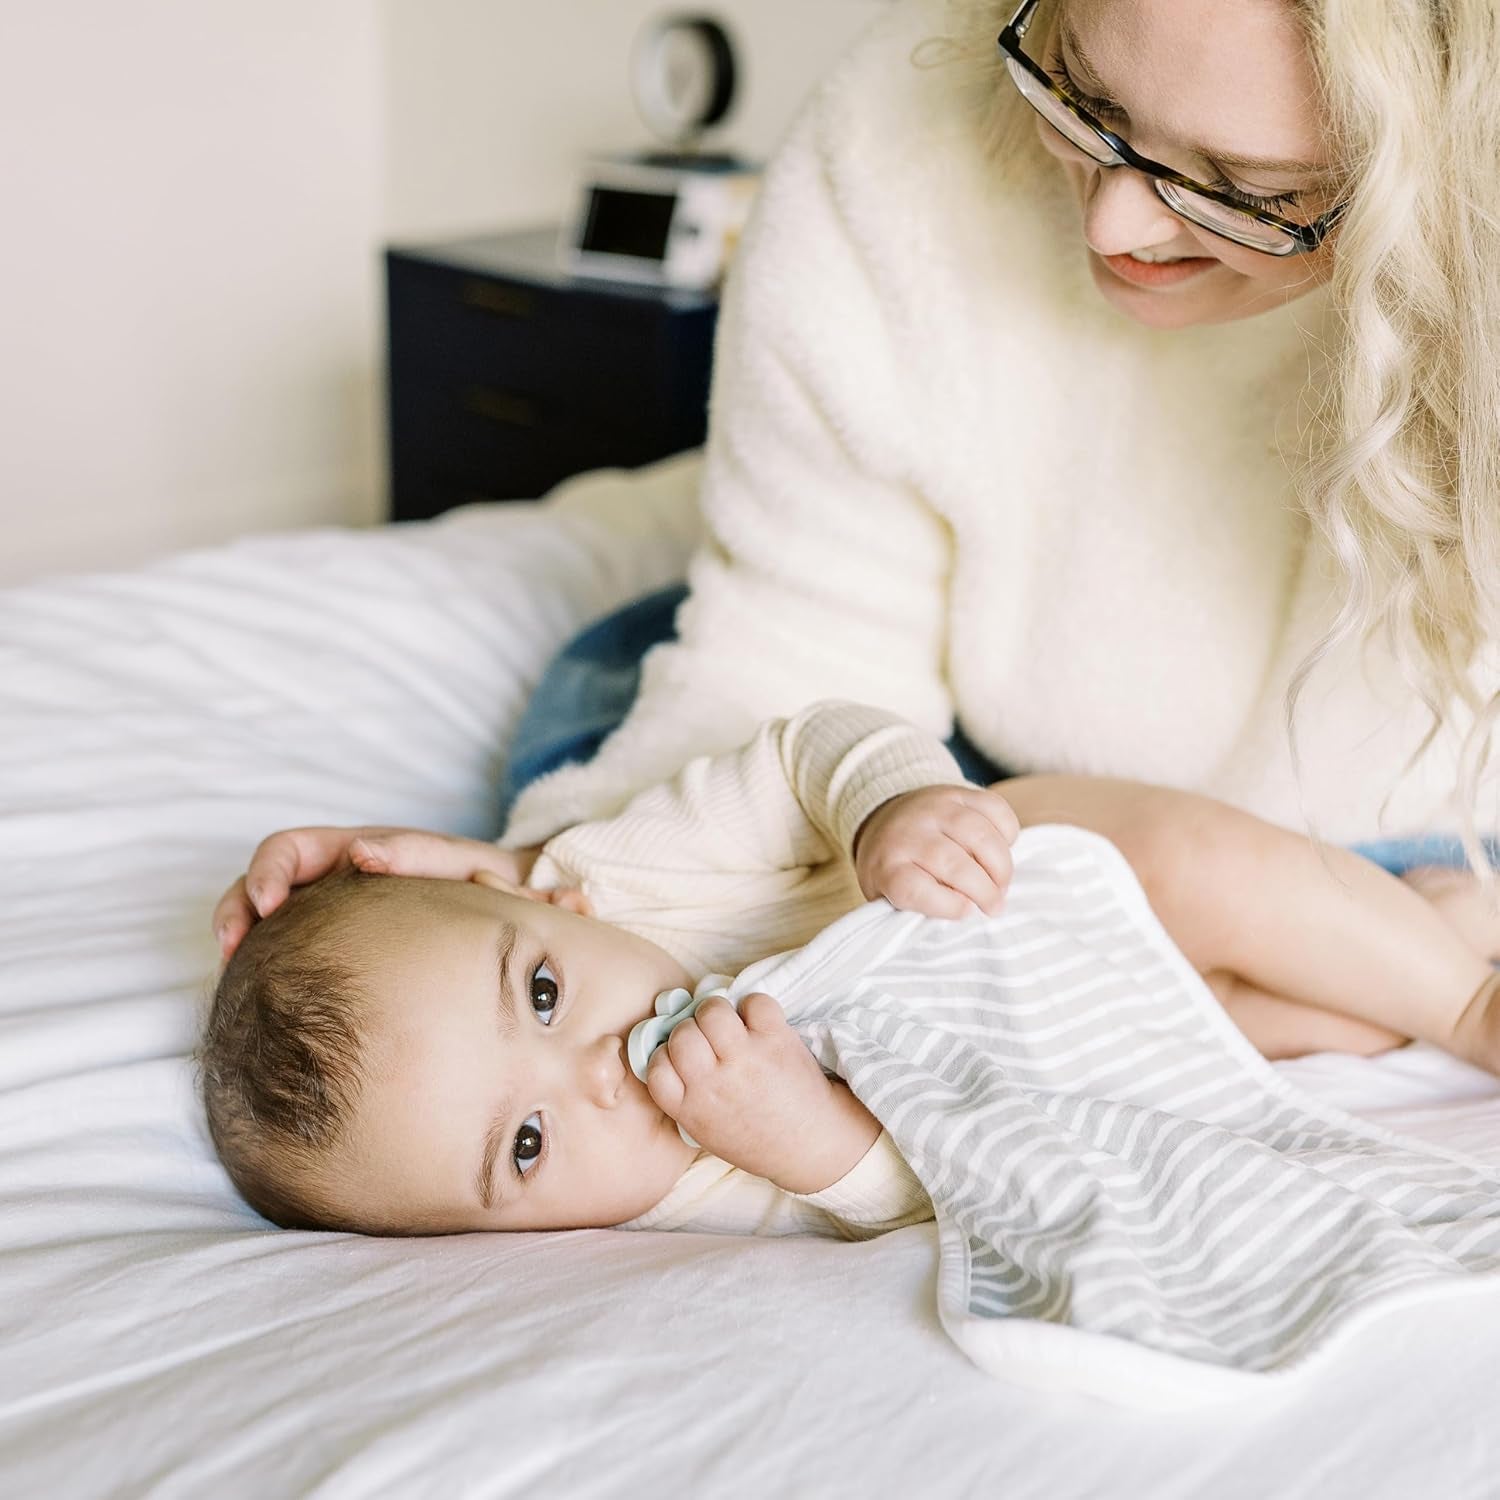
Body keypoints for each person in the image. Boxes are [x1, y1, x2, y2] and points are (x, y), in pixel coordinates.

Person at [214, 0, 1500, 955]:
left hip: (1407, 825)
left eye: (1242, 190)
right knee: (620, 695)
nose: (1113, 225)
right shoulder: (891, 137)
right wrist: (556, 884)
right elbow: (794, 663)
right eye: (1084, 102)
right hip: (966, 771)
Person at [200, 702, 1500, 1239]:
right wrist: (815, 1145)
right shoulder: (681, 1188)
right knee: (1250, 1031)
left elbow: (809, 745)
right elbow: (922, 1201)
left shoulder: (621, 869)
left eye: (540, 993)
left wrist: (892, 811)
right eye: (526, 1149)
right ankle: (1418, 927)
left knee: (1202, 871)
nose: (595, 1073)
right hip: (1064, 1041)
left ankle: (1465, 996)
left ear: (519, 892)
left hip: (1020, 887)